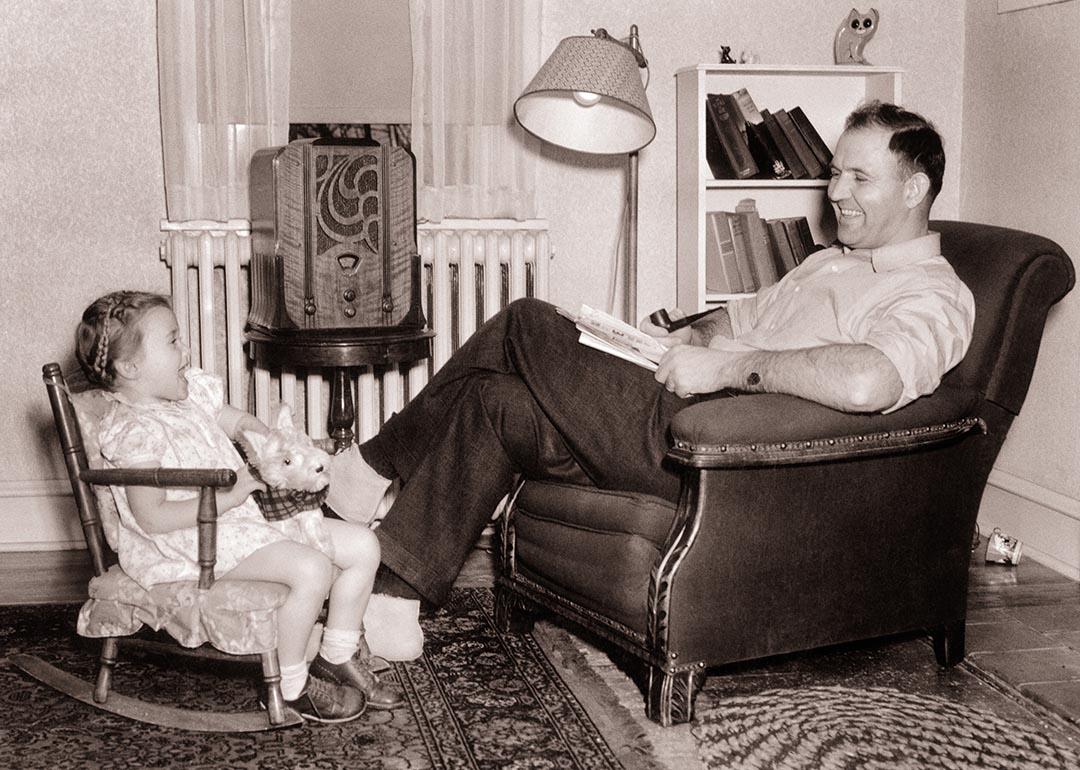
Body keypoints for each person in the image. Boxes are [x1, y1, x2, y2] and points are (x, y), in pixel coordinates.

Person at [333, 101, 975, 608]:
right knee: (494, 401)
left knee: (527, 322)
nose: (836, 190)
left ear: (915, 189)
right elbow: (742, 314)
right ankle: (396, 601)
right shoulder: (830, 262)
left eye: (860, 177)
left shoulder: (931, 293)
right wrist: (687, 337)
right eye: (836, 171)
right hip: (686, 405)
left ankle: (370, 466)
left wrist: (723, 368)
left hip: (726, 450)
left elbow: (870, 381)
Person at [74, 291, 404, 723]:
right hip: (190, 541)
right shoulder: (134, 431)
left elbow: (237, 422)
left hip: (240, 520)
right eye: (172, 341)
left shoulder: (190, 396)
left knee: (363, 546)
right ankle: (291, 685)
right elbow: (152, 518)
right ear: (130, 367)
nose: (185, 349)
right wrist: (231, 496)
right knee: (312, 569)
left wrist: (274, 446)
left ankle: (336, 653)